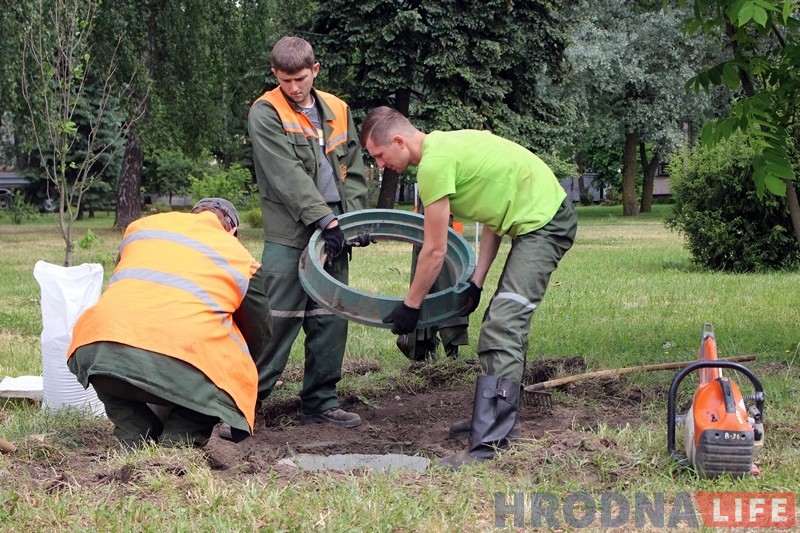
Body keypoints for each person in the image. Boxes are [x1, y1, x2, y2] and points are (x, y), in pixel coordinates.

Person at [360, 107, 577, 468]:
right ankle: (494, 417)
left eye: (379, 156)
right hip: (535, 218)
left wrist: (411, 306)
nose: (381, 165)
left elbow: (434, 249)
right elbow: (494, 214)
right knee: (501, 319)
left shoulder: (432, 166)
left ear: (398, 141)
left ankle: (490, 442)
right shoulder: (446, 145)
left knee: (504, 323)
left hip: (546, 223)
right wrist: (477, 281)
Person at [67, 198, 270, 449]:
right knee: (228, 368)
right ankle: (178, 438)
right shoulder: (239, 256)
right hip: (183, 365)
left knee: (110, 360)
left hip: (96, 349)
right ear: (233, 232)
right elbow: (258, 332)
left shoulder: (142, 229)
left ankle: (134, 431)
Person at [248, 36, 368, 427]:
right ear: (275, 76)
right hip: (290, 233)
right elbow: (287, 177)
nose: (294, 88)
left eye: (300, 79)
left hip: (335, 227)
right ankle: (243, 405)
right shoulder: (265, 112)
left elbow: (353, 167)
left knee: (331, 315)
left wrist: (354, 219)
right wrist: (326, 220)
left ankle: (321, 403)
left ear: (314, 70)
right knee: (278, 318)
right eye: (285, 81)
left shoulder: (337, 108)